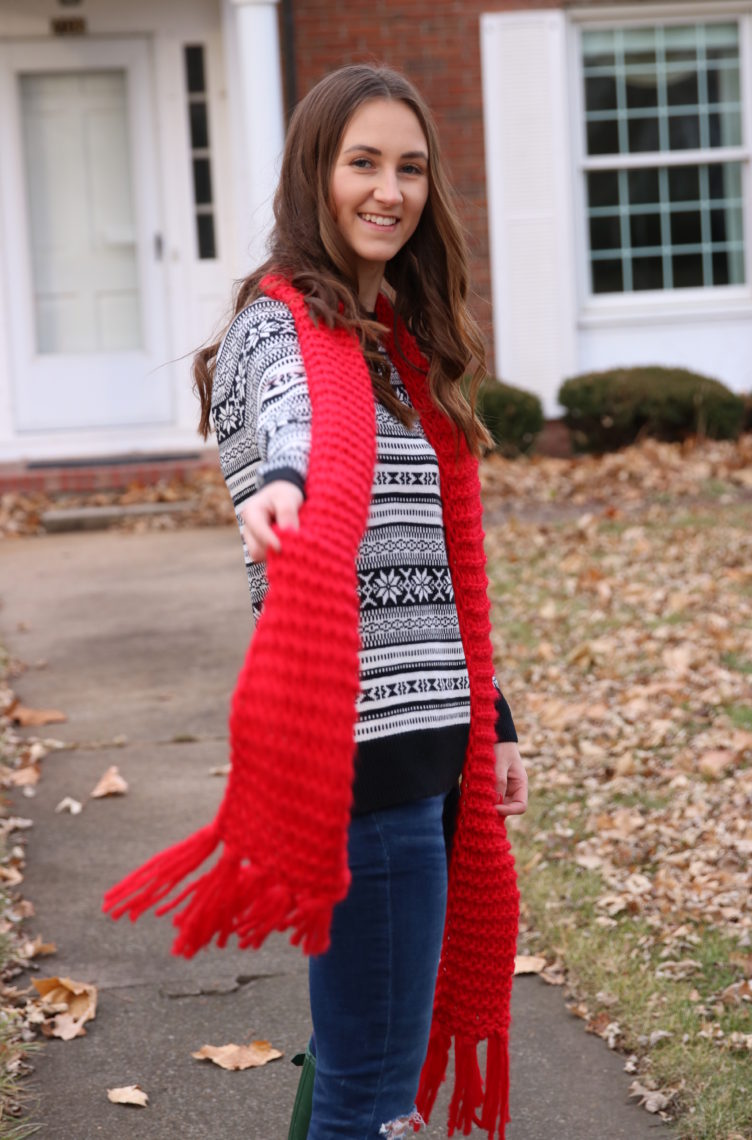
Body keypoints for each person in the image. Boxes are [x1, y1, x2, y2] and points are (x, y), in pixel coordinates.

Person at [106, 63, 527, 1140]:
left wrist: (497, 720)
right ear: (315, 174)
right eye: (362, 164)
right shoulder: (278, 330)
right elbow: (306, 440)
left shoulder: (398, 349)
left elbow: (434, 561)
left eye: (410, 168)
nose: (389, 190)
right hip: (368, 763)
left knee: (354, 1070)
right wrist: (284, 489)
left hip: (435, 746)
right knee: (368, 1098)